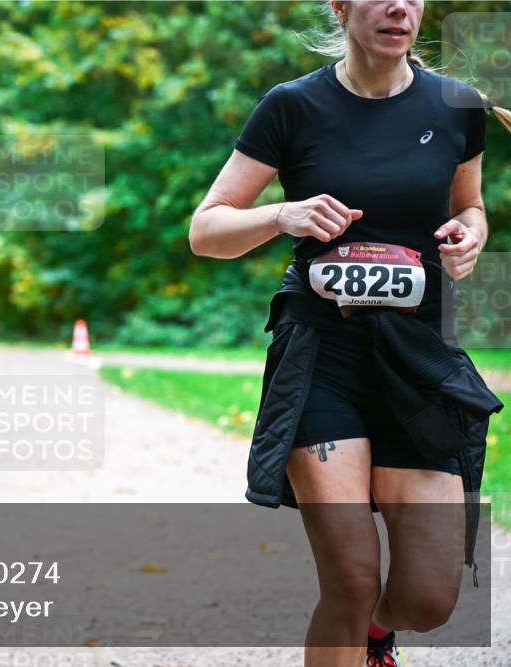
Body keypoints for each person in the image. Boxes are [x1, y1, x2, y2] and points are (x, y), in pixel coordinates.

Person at [189, 2, 509, 666]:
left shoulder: (455, 108)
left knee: (428, 599)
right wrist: (283, 214)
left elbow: (469, 205)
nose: (399, 7)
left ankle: (373, 631)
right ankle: (356, 617)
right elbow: (206, 228)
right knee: (352, 578)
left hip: (418, 356)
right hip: (322, 352)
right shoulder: (292, 107)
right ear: (340, 6)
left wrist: (469, 235)